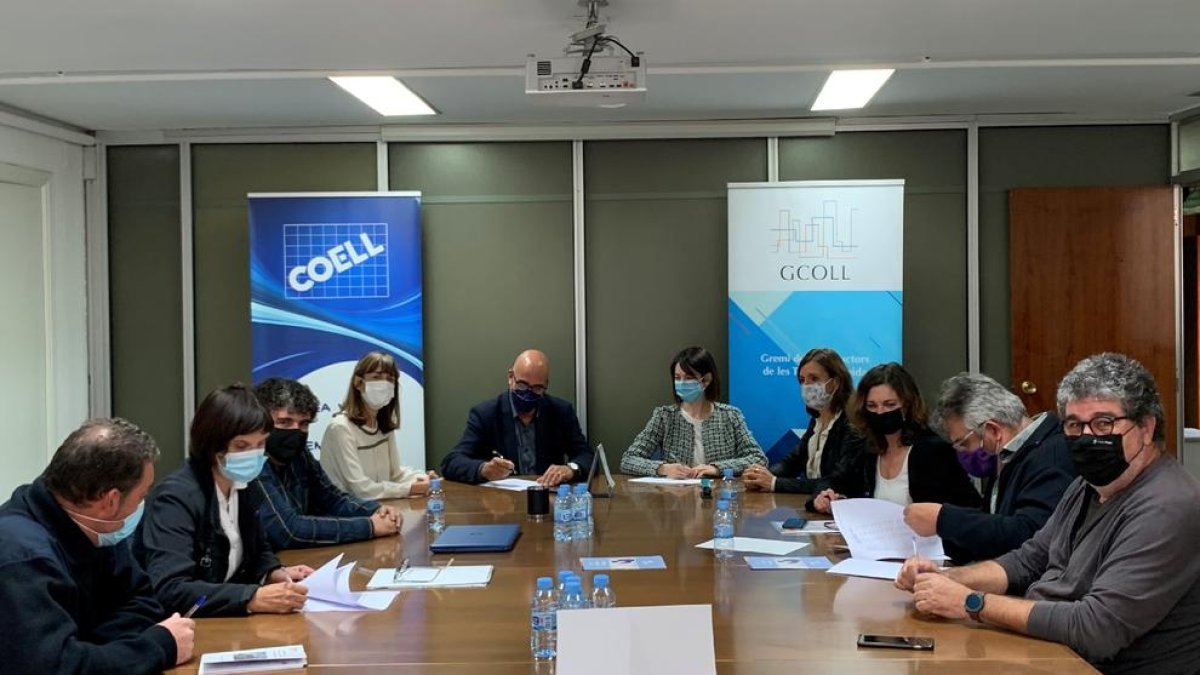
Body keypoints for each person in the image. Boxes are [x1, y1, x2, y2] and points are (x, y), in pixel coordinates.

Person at [895, 353, 1200, 674]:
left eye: (1103, 423)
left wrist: (971, 603)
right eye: (1074, 424)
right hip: (1053, 653)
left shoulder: (1167, 505)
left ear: (1147, 428)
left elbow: (1097, 628)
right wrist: (944, 580)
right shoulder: (1088, 486)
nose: (1086, 437)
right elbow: (1030, 559)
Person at [0, 418, 194, 674]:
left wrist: (88, 649)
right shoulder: (21, 557)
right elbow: (55, 668)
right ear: (110, 500)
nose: (142, 505)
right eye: (142, 496)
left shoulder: (97, 528)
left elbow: (144, 601)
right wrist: (158, 647)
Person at [137, 385, 314, 617]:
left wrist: (273, 572)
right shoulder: (175, 498)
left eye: (261, 444)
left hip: (223, 619)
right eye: (242, 446)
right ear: (213, 445)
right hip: (179, 625)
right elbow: (171, 590)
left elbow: (257, 549)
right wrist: (250, 598)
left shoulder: (243, 483)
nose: (253, 454)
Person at [903, 373, 1076, 563]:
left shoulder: (1052, 456)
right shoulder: (1010, 453)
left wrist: (944, 519)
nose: (962, 451)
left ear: (993, 430)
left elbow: (1030, 536)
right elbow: (995, 525)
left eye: (963, 443)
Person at [810, 362, 981, 513]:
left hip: (925, 546)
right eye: (872, 406)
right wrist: (824, 496)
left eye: (889, 404)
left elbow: (970, 508)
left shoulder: (934, 451)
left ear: (907, 405)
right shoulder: (867, 449)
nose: (880, 412)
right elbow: (833, 480)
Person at [253, 378, 402, 549]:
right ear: (261, 421)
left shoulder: (299, 454)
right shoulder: (252, 462)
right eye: (284, 422)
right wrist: (370, 526)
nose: (295, 430)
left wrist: (377, 510)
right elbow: (289, 531)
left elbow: (334, 499)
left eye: (303, 424)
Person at [441, 349, 595, 487]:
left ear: (546, 386)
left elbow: (587, 456)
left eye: (537, 388)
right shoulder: (486, 414)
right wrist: (483, 469)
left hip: (548, 500)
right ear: (510, 378)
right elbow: (451, 462)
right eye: (522, 385)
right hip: (501, 506)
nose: (528, 394)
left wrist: (570, 469)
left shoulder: (561, 412)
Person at [621, 346, 768, 478]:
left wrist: (717, 469)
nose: (682, 383)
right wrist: (662, 468)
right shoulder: (664, 416)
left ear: (706, 380)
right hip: (676, 500)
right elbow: (628, 460)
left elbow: (758, 458)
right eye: (677, 378)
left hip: (719, 498)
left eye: (689, 378)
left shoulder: (730, 415)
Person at [743, 348, 867, 494]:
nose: (806, 386)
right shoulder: (817, 420)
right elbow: (792, 462)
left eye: (814, 378)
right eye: (802, 380)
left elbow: (836, 482)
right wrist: (761, 476)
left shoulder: (853, 425)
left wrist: (775, 483)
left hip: (844, 511)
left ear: (835, 383)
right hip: (815, 506)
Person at [320, 351, 433, 499]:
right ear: (358, 383)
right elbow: (360, 489)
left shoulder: (383, 425)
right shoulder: (341, 428)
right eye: (376, 377)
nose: (384, 384)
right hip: (346, 514)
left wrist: (421, 478)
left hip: (380, 508)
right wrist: (411, 489)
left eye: (390, 379)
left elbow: (395, 474)